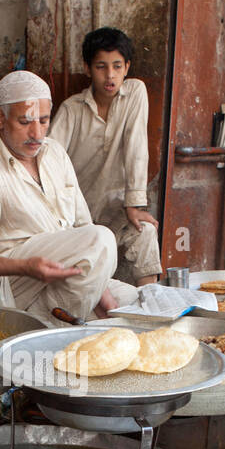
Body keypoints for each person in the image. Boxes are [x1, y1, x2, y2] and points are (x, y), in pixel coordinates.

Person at [0, 70, 136, 326]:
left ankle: (58, 324)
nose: (37, 133)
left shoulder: (54, 153)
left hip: (54, 283)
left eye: (43, 121)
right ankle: (44, 335)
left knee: (136, 302)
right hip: (3, 295)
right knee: (102, 238)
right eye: (25, 122)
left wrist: (99, 290)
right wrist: (23, 266)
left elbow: (82, 227)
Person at [49, 27, 162, 286]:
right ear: (88, 69)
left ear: (127, 68)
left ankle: (153, 310)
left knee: (145, 233)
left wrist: (134, 203)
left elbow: (136, 145)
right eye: (101, 67)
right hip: (77, 215)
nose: (110, 75)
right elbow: (49, 161)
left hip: (117, 210)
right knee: (84, 281)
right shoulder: (71, 109)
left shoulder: (135, 93)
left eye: (117, 66)